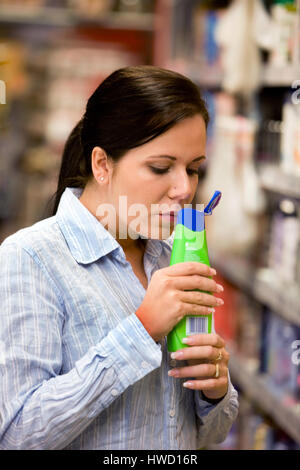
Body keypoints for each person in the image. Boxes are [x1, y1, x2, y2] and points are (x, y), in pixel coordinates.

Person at [0, 65, 238, 450]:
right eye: (161, 167)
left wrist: (215, 390)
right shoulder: (31, 259)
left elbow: (207, 435)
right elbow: (16, 436)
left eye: (194, 169)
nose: (184, 189)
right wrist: (140, 331)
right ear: (101, 164)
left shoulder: (172, 255)